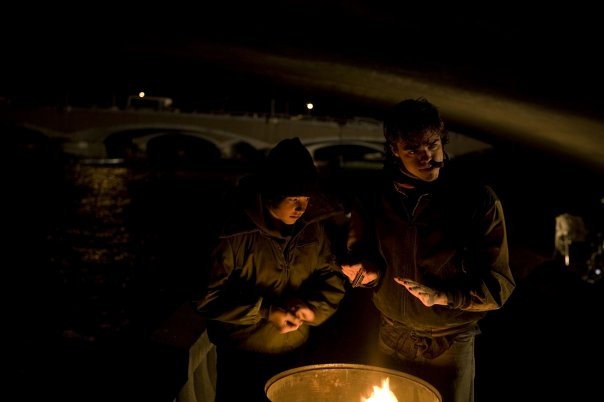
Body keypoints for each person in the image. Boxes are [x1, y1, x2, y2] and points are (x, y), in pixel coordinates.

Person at [340, 98, 516, 402]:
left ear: (442, 138)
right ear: (394, 150)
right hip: (391, 336)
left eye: (432, 145)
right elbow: (364, 258)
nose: (426, 157)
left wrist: (444, 296)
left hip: (448, 343)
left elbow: (500, 287)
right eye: (412, 150)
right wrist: (363, 274)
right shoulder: (374, 196)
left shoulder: (477, 200)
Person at [194, 137, 348, 402]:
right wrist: (265, 311)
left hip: (296, 355)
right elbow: (206, 298)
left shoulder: (313, 228)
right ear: (270, 194)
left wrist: (312, 309)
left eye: (306, 198)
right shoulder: (233, 234)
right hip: (242, 359)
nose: (301, 207)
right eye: (293, 198)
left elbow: (331, 276)